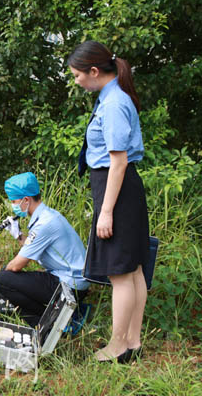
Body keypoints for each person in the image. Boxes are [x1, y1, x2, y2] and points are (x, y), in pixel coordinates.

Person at [68, 40, 149, 363]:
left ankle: (118, 345)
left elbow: (118, 161)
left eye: (77, 75)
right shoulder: (114, 96)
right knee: (132, 271)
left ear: (94, 71)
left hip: (116, 187)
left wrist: (105, 212)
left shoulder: (113, 103)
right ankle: (132, 342)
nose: (76, 81)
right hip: (121, 187)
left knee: (121, 273)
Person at [0, 172, 90, 328]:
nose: (13, 206)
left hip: (71, 286)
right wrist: (18, 235)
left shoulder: (45, 223)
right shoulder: (48, 215)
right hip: (71, 279)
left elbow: (16, 266)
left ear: (26, 200)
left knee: (3, 280)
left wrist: (5, 277)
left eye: (14, 201)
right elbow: (31, 248)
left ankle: (49, 322)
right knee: (7, 278)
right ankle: (51, 315)